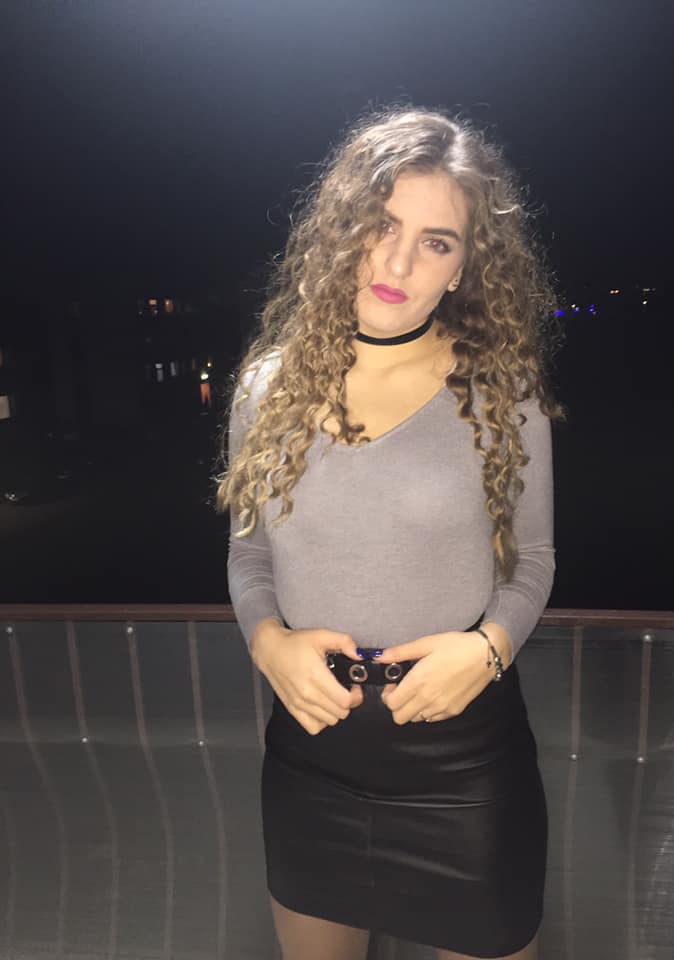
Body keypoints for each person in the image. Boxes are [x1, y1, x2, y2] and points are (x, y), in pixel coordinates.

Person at [215, 104, 565, 960]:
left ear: (464, 267)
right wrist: (268, 643)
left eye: (435, 242)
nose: (399, 262)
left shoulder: (500, 393)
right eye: (381, 225)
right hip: (311, 754)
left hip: (462, 763)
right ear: (342, 228)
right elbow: (250, 552)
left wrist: (486, 650)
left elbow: (534, 561)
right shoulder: (265, 388)